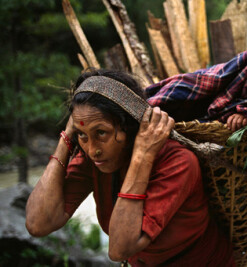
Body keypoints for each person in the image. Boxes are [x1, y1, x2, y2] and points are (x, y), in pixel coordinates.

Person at [25, 69, 235, 266]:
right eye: (83, 135)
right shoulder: (96, 158)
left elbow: (118, 249)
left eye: (101, 133)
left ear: (129, 127)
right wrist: (67, 137)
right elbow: (38, 223)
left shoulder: (177, 161)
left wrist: (142, 155)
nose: (92, 149)